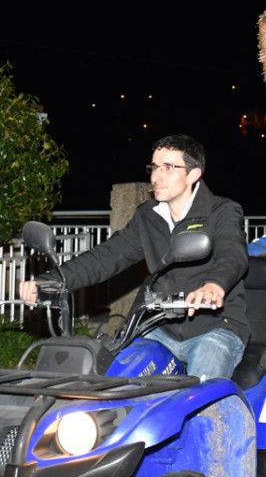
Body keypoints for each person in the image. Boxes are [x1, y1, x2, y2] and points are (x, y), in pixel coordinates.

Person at [19, 134, 249, 380]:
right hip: (161, 327)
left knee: (201, 396)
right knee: (115, 378)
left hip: (214, 327)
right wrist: (54, 280)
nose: (156, 176)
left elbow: (232, 253)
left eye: (168, 167)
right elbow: (107, 256)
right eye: (154, 167)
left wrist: (215, 284)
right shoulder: (148, 217)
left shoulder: (221, 211)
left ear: (193, 174)